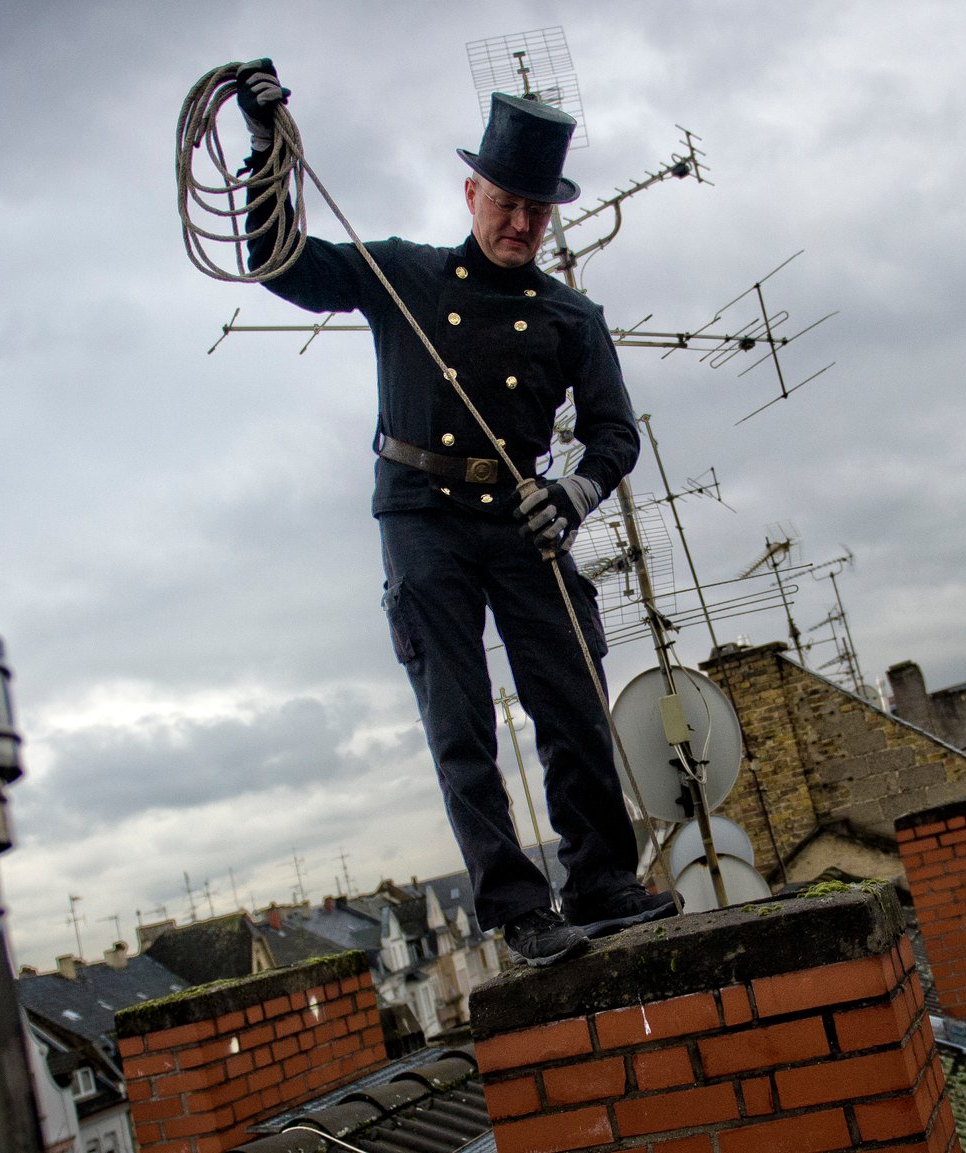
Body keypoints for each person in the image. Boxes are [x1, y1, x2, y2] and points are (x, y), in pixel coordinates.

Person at [232, 60, 676, 965]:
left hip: (523, 519)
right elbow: (280, 264)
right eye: (505, 202)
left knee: (571, 698)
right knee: (461, 720)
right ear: (472, 191)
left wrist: (571, 495)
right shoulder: (406, 275)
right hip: (420, 515)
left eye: (536, 211)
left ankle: (601, 884)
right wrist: (265, 151)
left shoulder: (570, 316)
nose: (519, 225)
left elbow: (613, 435)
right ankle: (518, 908)